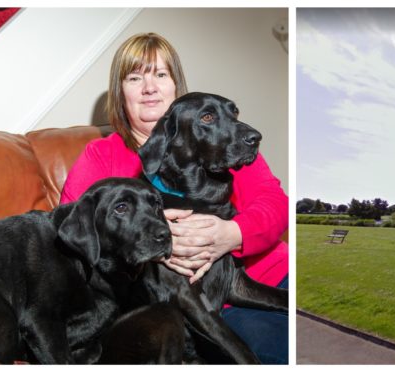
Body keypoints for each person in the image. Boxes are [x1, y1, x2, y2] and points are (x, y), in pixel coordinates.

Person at [60, 32, 289, 364]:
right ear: (120, 92)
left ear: (174, 85)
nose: (149, 87)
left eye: (160, 74)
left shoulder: (224, 141)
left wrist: (232, 234)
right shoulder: (101, 157)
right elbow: (72, 242)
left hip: (267, 276)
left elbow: (276, 204)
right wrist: (148, 240)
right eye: (135, 77)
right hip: (196, 312)